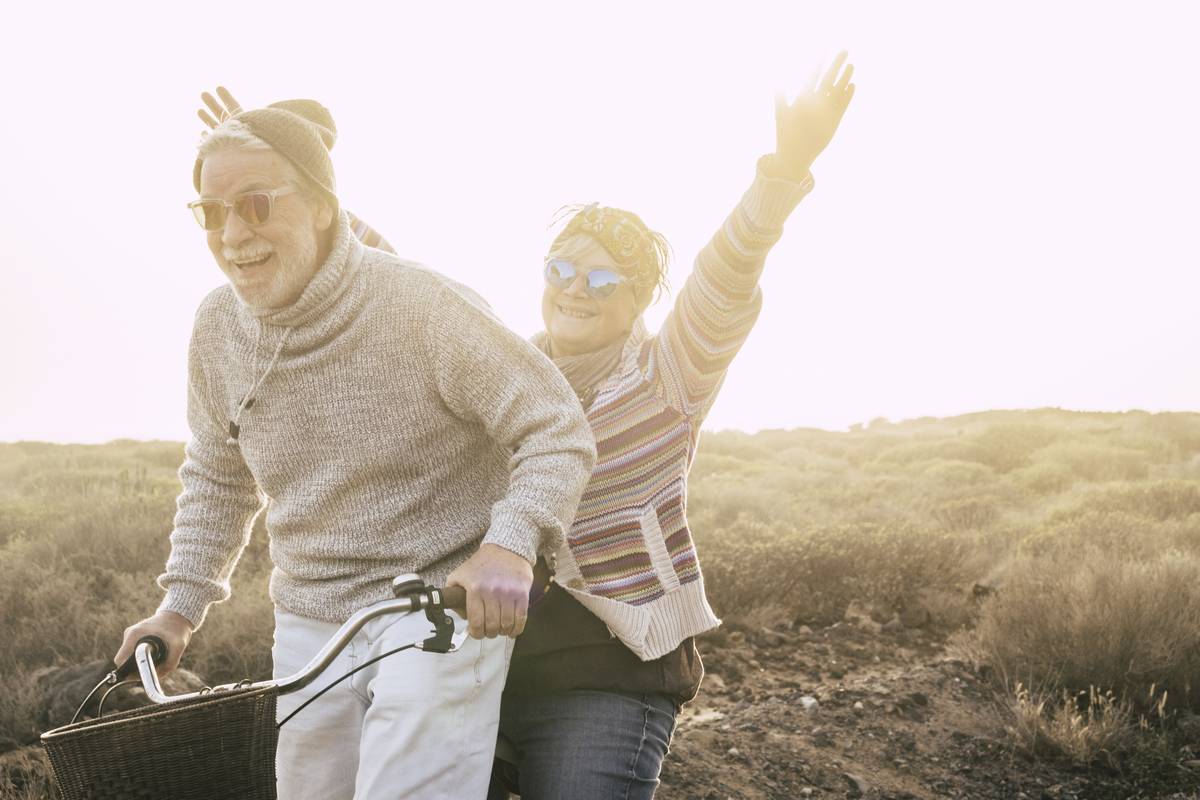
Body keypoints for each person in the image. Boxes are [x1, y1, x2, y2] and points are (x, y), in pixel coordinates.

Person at [202, 52, 855, 798]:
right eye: (561, 270)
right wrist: (272, 171)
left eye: (603, 278)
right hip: (481, 654)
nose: (575, 289)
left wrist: (782, 173)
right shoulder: (503, 364)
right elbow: (383, 276)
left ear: (639, 297)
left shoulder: (668, 375)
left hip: (604, 677)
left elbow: (725, 276)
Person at [114, 98, 597, 799]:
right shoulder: (217, 327)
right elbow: (219, 474)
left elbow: (555, 427)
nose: (230, 233)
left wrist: (511, 545)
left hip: (437, 607)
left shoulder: (423, 306)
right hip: (310, 617)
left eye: (253, 204)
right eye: (210, 212)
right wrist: (178, 608)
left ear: (318, 205)